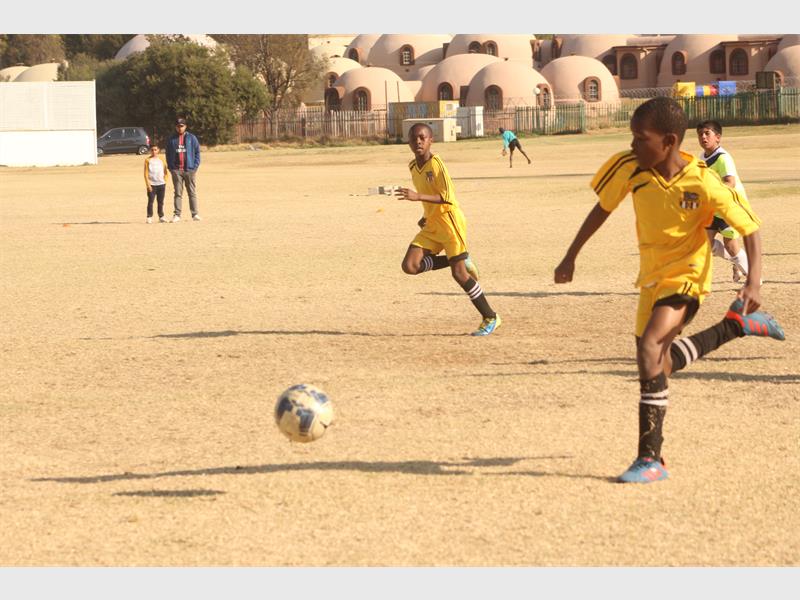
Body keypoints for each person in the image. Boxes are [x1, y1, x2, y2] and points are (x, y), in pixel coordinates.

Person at [554, 97, 785, 484]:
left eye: (640, 138)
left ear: (669, 141)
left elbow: (750, 226)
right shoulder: (630, 167)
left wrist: (753, 281)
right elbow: (603, 208)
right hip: (650, 278)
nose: (632, 145)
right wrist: (570, 256)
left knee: (650, 348)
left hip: (688, 275)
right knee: (656, 365)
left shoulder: (703, 181)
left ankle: (650, 458)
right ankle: (735, 326)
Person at [395, 123, 501, 336]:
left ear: (431, 140)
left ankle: (490, 317)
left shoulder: (437, 164)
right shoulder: (413, 167)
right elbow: (429, 192)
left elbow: (447, 197)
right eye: (414, 138)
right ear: (408, 142)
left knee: (459, 274)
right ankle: (461, 259)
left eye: (422, 138)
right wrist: (425, 216)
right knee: (410, 265)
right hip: (432, 224)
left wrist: (417, 196)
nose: (418, 141)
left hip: (450, 223)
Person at [697, 120, 749, 282]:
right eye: (700, 134)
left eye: (707, 133)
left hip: (730, 207)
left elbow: (730, 182)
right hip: (714, 209)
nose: (703, 137)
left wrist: (712, 193)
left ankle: (754, 278)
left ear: (718, 137)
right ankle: (737, 262)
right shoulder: (702, 157)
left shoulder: (723, 158)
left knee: (731, 245)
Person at [165, 117, 201, 222]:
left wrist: (194, 167)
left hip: (189, 170)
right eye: (178, 126)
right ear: (175, 127)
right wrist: (171, 168)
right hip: (177, 170)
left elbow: (197, 153)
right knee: (178, 193)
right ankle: (177, 215)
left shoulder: (192, 138)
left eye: (181, 126)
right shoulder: (171, 139)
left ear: (185, 126)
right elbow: (168, 154)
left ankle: (195, 214)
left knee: (192, 192)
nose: (180, 128)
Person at [143, 144, 168, 224]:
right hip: (152, 184)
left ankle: (161, 216)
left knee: (160, 202)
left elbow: (165, 171)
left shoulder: (162, 159)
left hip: (161, 184)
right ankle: (149, 217)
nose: (154, 151)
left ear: (158, 150)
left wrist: (165, 181)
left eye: (155, 150)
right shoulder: (147, 160)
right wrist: (148, 185)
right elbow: (146, 173)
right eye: (152, 150)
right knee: (151, 201)